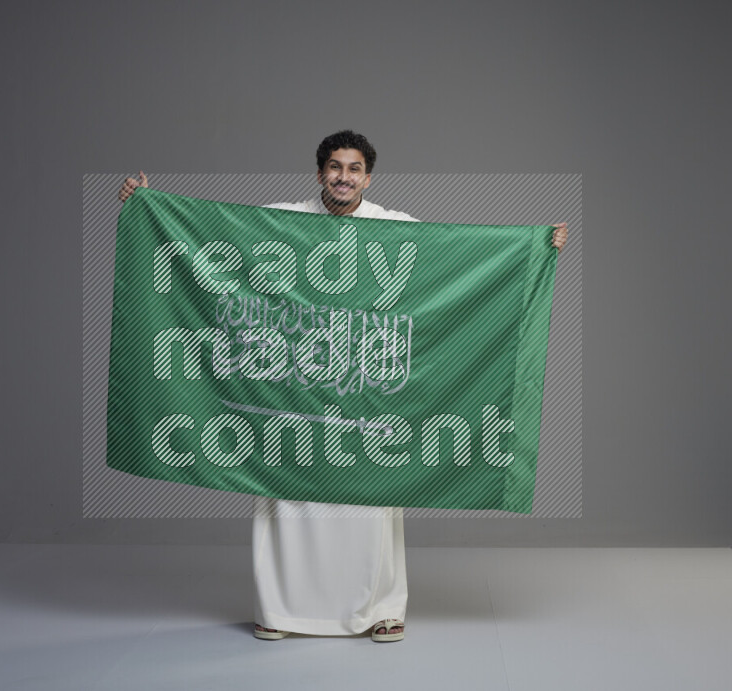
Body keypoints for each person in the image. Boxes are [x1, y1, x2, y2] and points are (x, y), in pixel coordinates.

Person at [118, 130, 569, 643]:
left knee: (369, 505)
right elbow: (214, 244)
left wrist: (534, 248)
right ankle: (282, 610)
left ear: (368, 178)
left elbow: (459, 259)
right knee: (287, 501)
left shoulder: (394, 230)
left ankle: (380, 609)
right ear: (319, 174)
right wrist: (146, 209)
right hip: (291, 391)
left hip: (364, 396)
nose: (343, 177)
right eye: (335, 167)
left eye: (354, 169)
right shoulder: (283, 223)